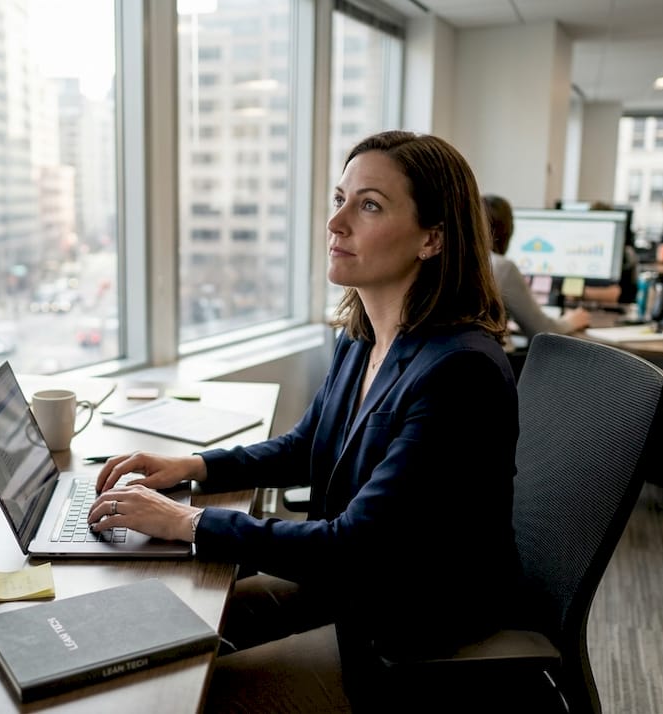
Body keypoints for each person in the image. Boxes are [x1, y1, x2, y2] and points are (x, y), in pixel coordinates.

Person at [87, 131, 521, 711]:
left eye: (369, 205)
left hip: (404, 635)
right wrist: (188, 466)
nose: (336, 222)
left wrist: (185, 522)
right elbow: (305, 445)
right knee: (145, 637)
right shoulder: (363, 337)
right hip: (349, 591)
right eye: (340, 199)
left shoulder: (459, 372)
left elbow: (354, 548)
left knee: (179, 693)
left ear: (432, 239)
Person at [483, 193, 591, 338]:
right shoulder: (503, 267)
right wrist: (572, 321)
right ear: (508, 231)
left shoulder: (460, 263)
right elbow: (542, 329)